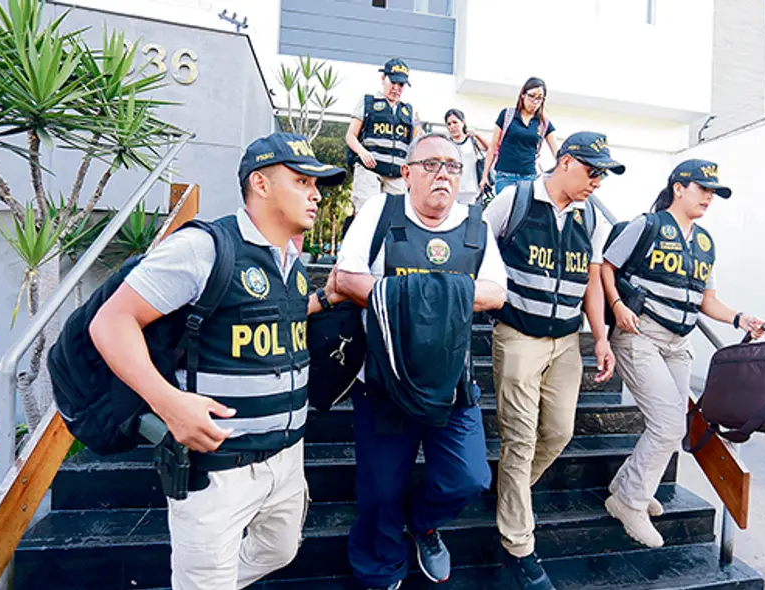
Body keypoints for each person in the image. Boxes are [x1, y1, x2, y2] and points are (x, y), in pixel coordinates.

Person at [88, 132, 348, 590]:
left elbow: (270, 311)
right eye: (302, 181)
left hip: (286, 458)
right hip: (218, 468)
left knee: (280, 549)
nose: (315, 193)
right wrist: (168, 402)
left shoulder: (291, 258)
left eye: (316, 184)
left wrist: (325, 299)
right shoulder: (205, 248)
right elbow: (111, 322)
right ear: (261, 184)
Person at [335, 133, 507, 590]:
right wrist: (432, 297)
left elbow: (497, 290)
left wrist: (423, 297)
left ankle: (424, 524)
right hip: (384, 381)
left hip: (453, 385)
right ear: (407, 174)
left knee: (468, 477)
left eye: (452, 167)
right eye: (431, 165)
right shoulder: (381, 213)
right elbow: (346, 277)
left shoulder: (476, 226)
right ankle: (380, 568)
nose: (443, 175)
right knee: (380, 490)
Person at [600, 159, 765, 549]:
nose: (709, 197)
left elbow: (707, 300)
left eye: (714, 192)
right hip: (640, 334)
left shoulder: (705, 242)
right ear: (678, 187)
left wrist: (739, 318)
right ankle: (628, 501)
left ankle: (627, 483)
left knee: (673, 423)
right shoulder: (647, 225)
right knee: (669, 424)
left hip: (679, 342)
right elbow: (605, 267)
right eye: (702, 188)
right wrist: (617, 304)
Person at [483, 132, 620, 590]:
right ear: (564, 162)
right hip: (518, 335)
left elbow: (592, 281)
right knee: (519, 439)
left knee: (558, 431)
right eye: (592, 171)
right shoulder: (513, 200)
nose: (597, 182)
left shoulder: (593, 217)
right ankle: (519, 546)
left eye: (603, 174)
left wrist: (599, 337)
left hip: (566, 342)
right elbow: (478, 251)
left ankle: (508, 491)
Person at [345, 57, 419, 213]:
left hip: (397, 174)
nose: (396, 88)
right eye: (393, 82)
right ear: (383, 78)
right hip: (369, 169)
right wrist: (362, 152)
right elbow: (350, 135)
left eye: (401, 85)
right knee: (367, 215)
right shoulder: (368, 103)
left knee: (395, 219)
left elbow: (416, 144)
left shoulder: (409, 111)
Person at [479, 77, 557, 195]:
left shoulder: (544, 123)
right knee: (505, 211)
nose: (535, 101)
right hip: (505, 176)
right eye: (532, 96)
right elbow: (493, 148)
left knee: (523, 212)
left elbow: (557, 152)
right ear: (523, 95)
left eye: (539, 98)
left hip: (528, 178)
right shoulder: (507, 115)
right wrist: (485, 175)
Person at [444, 108, 490, 205]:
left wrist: (477, 135)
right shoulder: (447, 143)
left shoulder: (471, 140)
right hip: (451, 188)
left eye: (455, 122)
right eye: (449, 124)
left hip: (471, 189)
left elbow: (490, 149)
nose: (452, 126)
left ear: (463, 122)